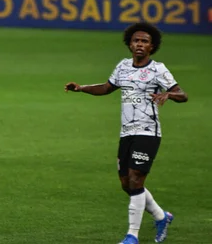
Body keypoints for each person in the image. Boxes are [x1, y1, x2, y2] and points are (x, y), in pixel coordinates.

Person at [64, 22, 188, 244]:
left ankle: (132, 236)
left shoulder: (157, 69)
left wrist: (169, 95)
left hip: (148, 131)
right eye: (136, 41)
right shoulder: (123, 66)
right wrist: (81, 88)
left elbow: (182, 94)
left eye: (145, 42)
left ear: (152, 47)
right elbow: (106, 87)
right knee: (126, 184)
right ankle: (162, 216)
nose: (140, 44)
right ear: (129, 44)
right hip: (126, 132)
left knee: (136, 179)